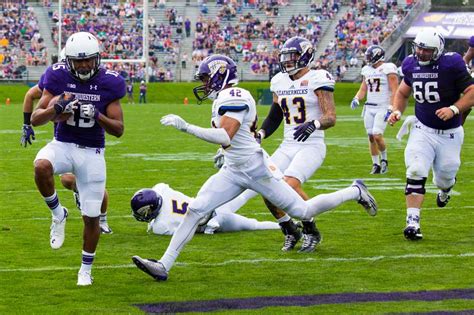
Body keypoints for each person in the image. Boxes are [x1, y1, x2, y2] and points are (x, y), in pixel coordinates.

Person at [131, 54, 378, 281]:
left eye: (207, 78)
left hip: (255, 168)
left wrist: (187, 127)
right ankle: (163, 265)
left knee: (303, 211)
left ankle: (355, 191)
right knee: (195, 209)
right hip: (233, 169)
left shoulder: (235, 95)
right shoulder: (223, 98)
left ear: (220, 74)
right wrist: (224, 152)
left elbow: (225, 135)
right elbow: (236, 138)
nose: (204, 84)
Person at [210, 36, 339, 253]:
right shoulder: (279, 81)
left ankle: (311, 230)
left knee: (287, 186)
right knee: (266, 186)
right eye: (286, 57)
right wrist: (260, 133)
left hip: (311, 145)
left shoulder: (318, 78)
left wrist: (314, 124)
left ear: (305, 56)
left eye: (293, 57)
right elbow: (275, 115)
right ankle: (289, 229)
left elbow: (331, 116)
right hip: (288, 144)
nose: (288, 61)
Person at [31, 32, 125, 285]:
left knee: (91, 216)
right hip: (63, 144)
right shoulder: (57, 75)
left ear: (97, 59)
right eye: (78, 61)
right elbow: (36, 118)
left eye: (88, 61)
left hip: (92, 151)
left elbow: (118, 129)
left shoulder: (110, 82)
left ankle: (85, 270)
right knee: (40, 166)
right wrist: (56, 108)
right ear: (69, 61)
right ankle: (57, 212)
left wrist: (97, 115)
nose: (83, 66)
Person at [387, 29, 474, 241]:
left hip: (450, 133)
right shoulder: (410, 63)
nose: (421, 53)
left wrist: (454, 109)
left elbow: (472, 91)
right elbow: (402, 92)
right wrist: (397, 110)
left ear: (438, 50)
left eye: (427, 50)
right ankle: (412, 222)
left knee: (445, 177)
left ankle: (445, 190)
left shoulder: (452, 64)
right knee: (415, 170)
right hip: (422, 128)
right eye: (419, 47)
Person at [20, 51, 112, 235]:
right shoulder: (55, 78)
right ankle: (67, 206)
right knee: (64, 177)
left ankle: (102, 219)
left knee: (95, 185)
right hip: (64, 138)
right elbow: (30, 95)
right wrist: (27, 124)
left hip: (89, 141)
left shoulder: (96, 81)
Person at [130, 183, 280, 235]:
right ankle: (275, 183)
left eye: (144, 212)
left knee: (254, 225)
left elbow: (185, 232)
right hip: (211, 203)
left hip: (212, 222)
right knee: (244, 195)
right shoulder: (161, 189)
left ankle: (290, 224)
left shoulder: (161, 226)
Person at [350, 45, 399, 174]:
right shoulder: (367, 70)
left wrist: (391, 107)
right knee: (371, 136)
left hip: (382, 106)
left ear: (378, 55)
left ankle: (384, 160)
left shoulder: (388, 68)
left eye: (370, 56)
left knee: (377, 135)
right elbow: (363, 88)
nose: (368, 59)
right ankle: (375, 164)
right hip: (369, 107)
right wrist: (356, 98)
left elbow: (395, 90)